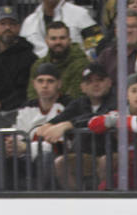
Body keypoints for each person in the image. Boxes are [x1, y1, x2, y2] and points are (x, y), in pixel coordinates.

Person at [34, 62, 115, 190]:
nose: (95, 84)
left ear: (109, 82)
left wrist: (69, 124)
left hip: (113, 153)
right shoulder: (79, 103)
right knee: (60, 163)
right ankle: (77, 202)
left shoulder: (116, 101)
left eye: (100, 80)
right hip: (85, 155)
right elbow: (61, 118)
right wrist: (48, 126)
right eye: (89, 81)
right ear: (82, 87)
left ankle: (107, 201)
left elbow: (101, 117)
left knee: (105, 162)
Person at [0, 61, 68, 190]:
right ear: (34, 84)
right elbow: (19, 133)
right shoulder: (27, 107)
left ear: (59, 84)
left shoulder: (67, 105)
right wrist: (9, 145)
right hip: (26, 156)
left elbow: (57, 144)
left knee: (45, 156)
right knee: (2, 154)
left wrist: (26, 147)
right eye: (40, 81)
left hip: (53, 157)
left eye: (50, 81)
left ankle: (42, 198)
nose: (44, 85)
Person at [89, 72, 137, 189]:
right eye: (134, 91)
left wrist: (114, 121)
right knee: (105, 186)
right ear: (126, 94)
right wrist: (112, 119)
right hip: (131, 166)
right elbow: (93, 123)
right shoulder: (121, 112)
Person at [0, 4, 38, 113]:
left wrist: (1, 104)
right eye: (3, 24)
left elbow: (26, 92)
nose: (7, 28)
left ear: (19, 28)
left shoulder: (29, 58)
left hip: (16, 113)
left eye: (12, 24)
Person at [26, 20, 90, 100]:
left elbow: (76, 97)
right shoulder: (38, 65)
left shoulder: (81, 64)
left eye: (62, 38)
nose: (58, 42)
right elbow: (32, 95)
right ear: (46, 41)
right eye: (53, 38)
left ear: (69, 40)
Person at [20, 0, 101, 58]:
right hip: (41, 76)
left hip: (75, 71)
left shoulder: (80, 14)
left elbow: (97, 43)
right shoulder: (29, 22)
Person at [97, 9, 137, 79]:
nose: (129, 30)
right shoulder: (106, 55)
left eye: (134, 26)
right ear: (116, 31)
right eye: (125, 27)